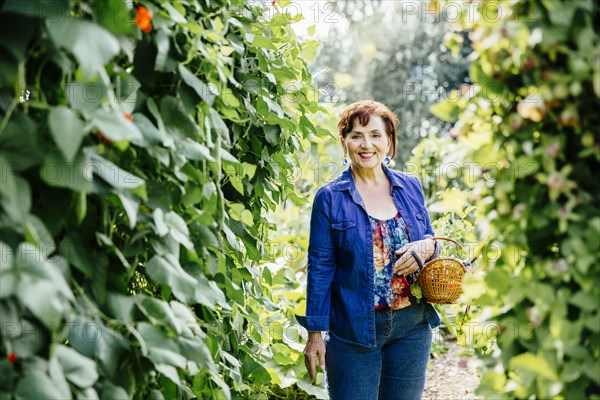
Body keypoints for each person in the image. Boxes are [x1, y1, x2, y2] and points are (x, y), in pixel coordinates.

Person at [295, 100, 441, 400]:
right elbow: (321, 266)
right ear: (344, 142)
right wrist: (314, 334)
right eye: (356, 135)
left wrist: (426, 247)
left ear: (389, 142)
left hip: (412, 327)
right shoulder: (330, 198)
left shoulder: (410, 186)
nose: (366, 144)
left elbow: (429, 238)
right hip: (354, 330)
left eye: (375, 135)